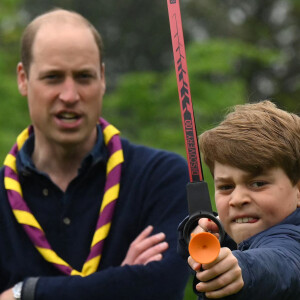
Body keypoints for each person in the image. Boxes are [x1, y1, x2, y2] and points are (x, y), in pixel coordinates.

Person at [0, 8, 190, 300]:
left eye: (84, 77)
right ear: (23, 79)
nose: (70, 95)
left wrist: (24, 292)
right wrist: (124, 282)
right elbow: (141, 287)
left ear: (102, 77)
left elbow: (161, 285)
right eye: (53, 77)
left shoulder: (161, 177)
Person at [178, 100, 300, 299]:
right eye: (226, 187)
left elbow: (283, 263)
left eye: (258, 184)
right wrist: (194, 230)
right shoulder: (235, 241)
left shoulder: (293, 244)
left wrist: (242, 269)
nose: (237, 199)